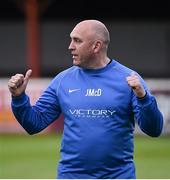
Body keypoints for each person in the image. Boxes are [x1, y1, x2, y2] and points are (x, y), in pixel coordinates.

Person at [8, 19, 163, 179]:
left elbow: (154, 129)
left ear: (96, 46)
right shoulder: (63, 80)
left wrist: (143, 98)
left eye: (77, 40)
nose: (70, 46)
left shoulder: (129, 79)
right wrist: (18, 97)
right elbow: (34, 123)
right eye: (71, 39)